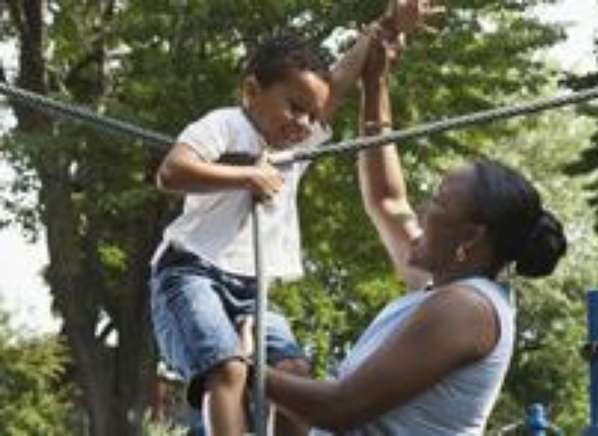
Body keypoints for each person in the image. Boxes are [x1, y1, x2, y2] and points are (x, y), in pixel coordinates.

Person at [265, 26, 568, 435]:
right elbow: (388, 199)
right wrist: (375, 84)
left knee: (273, 372)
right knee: (285, 374)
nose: (423, 209)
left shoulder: (466, 309)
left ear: (472, 237)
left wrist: (234, 367)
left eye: (440, 202)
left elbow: (341, 408)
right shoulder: (442, 284)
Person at [149, 3, 435, 435]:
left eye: (311, 115)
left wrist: (387, 27)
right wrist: (247, 175)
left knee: (295, 370)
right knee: (227, 369)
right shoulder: (224, 125)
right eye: (294, 107)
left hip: (252, 286)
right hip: (190, 272)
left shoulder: (294, 145)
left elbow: (339, 78)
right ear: (252, 91)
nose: (303, 123)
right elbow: (171, 173)